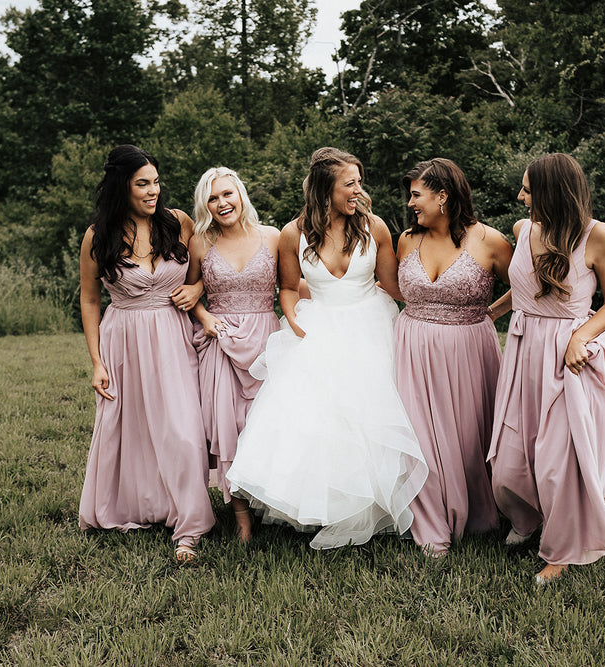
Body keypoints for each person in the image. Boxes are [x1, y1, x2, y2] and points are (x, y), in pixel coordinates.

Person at [226, 147, 428, 549]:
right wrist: (295, 323)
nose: (358, 190)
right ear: (325, 190)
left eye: (358, 182)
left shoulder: (375, 227)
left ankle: (375, 506)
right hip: (317, 327)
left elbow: (394, 287)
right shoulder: (292, 233)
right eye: (349, 183)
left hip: (371, 325)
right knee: (320, 423)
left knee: (372, 419)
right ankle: (329, 505)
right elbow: (286, 288)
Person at [486, 153, 605, 584]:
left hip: (569, 354)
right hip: (523, 348)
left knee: (557, 461)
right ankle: (528, 518)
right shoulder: (521, 229)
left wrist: (581, 337)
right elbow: (524, 289)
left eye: (528, 190)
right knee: (512, 455)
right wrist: (489, 313)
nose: (520, 197)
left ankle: (562, 551)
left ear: (552, 191)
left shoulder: (597, 235)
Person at [78, 144, 214, 564]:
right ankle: (141, 506)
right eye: (143, 184)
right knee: (131, 428)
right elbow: (88, 299)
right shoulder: (98, 236)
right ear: (123, 186)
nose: (153, 191)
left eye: (156, 181)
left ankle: (189, 527)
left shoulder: (179, 224)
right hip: (124, 339)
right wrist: (97, 361)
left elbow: (204, 273)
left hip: (174, 336)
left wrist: (197, 290)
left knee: (184, 429)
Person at [394, 158, 514, 557]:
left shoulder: (491, 241)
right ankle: (430, 524)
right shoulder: (406, 241)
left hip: (469, 351)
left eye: (416, 194)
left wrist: (491, 313)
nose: (410, 202)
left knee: (467, 438)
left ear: (442, 196)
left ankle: (479, 513)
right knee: (419, 437)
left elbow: (527, 288)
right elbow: (394, 289)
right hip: (411, 349)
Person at [185, 167, 281, 543]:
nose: (222, 203)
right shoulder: (200, 242)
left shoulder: (272, 237)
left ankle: (273, 503)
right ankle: (241, 518)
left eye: (227, 194)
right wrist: (205, 315)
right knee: (229, 428)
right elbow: (190, 292)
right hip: (221, 341)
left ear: (240, 195)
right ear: (205, 206)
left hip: (265, 339)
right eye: (213, 198)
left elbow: (291, 284)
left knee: (266, 424)